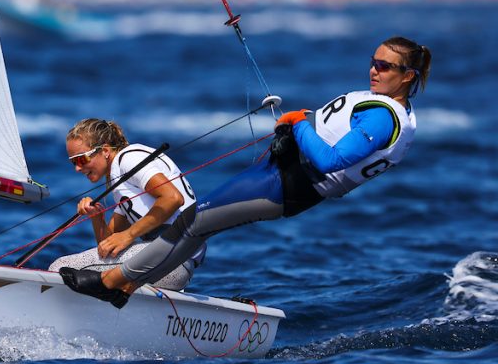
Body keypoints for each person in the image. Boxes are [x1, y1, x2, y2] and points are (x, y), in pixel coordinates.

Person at [61, 36, 432, 308]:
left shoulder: (384, 117)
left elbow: (331, 161)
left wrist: (297, 123)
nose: (373, 69)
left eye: (384, 66)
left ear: (407, 76)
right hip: (281, 173)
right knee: (198, 222)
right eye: (373, 61)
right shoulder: (386, 107)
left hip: (288, 183)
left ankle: (113, 282)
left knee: (194, 220)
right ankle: (124, 287)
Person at [49, 118, 205, 307]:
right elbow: (107, 247)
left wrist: (129, 235)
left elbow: (173, 198)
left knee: (59, 269)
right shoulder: (120, 182)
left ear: (105, 151)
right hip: (167, 263)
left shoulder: (128, 159)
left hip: (171, 260)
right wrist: (96, 217)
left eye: (81, 159)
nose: (77, 168)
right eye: (73, 161)